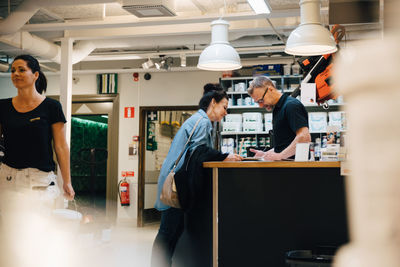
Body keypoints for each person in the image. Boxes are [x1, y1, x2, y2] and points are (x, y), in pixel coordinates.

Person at [151, 83, 242, 267]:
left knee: (172, 231)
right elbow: (199, 152)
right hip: (176, 183)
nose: (225, 113)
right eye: (224, 107)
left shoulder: (199, 120)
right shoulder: (202, 122)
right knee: (168, 232)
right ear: (213, 103)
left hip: (175, 180)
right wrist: (225, 156)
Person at [0, 54, 75, 206]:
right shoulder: (3, 107)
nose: (15, 74)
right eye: (13, 70)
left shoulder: (51, 107)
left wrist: (67, 181)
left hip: (40, 179)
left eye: (21, 70)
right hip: (8, 177)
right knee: (9, 229)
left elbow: (60, 146)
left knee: (37, 228)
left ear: (35, 75)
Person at [248, 76, 311, 160]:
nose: (260, 106)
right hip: (287, 166)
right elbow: (285, 145)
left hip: (296, 168)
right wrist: (266, 154)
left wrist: (280, 156)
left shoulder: (291, 105)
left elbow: (304, 137)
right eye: (257, 102)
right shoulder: (278, 109)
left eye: (261, 100)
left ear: (270, 89)